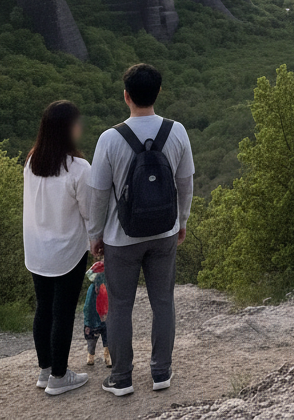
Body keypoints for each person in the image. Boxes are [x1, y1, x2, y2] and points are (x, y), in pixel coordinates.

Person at [87, 63, 194, 397]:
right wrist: (182, 220)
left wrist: (95, 234)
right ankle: (161, 372)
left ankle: (121, 378)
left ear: (126, 96)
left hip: (122, 238)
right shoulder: (177, 131)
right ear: (158, 92)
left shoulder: (109, 138)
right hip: (164, 233)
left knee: (120, 305)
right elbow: (185, 182)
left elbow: (99, 193)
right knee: (163, 301)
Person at [22, 100, 91, 396]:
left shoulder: (33, 159)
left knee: (44, 309)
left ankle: (45, 371)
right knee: (63, 312)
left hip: (37, 248)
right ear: (67, 129)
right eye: (77, 123)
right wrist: (98, 243)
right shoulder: (78, 168)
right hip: (67, 250)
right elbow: (90, 213)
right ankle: (60, 378)